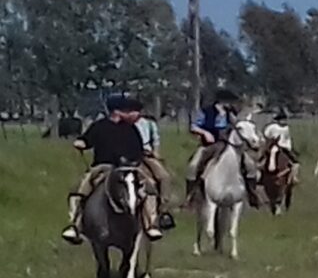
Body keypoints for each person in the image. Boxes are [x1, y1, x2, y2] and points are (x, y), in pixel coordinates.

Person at [62, 96, 163, 244]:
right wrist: (81, 142)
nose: (130, 113)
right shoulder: (99, 126)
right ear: (116, 111)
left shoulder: (131, 128)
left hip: (129, 167)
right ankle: (75, 224)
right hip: (103, 166)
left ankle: (151, 223)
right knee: (80, 188)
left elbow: (138, 149)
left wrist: (134, 162)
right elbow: (86, 140)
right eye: (125, 110)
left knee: (149, 188)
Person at [187, 89, 259, 207]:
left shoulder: (231, 113)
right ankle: (191, 197)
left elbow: (239, 126)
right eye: (229, 101)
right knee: (193, 165)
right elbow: (194, 126)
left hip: (230, 144)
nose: (231, 104)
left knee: (250, 166)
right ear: (221, 101)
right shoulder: (206, 111)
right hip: (210, 144)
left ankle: (252, 194)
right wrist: (205, 133)